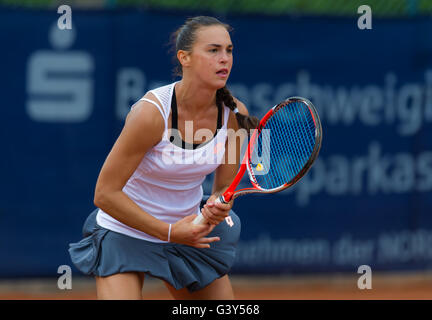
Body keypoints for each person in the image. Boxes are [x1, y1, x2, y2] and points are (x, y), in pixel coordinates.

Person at [69, 15, 258, 300]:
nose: (225, 59)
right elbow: (105, 194)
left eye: (229, 50)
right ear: (185, 58)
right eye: (213, 50)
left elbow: (223, 189)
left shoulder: (235, 115)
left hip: (188, 232)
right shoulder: (151, 114)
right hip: (126, 231)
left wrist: (220, 204)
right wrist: (168, 231)